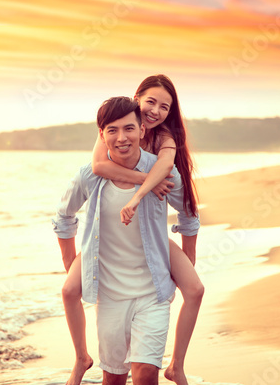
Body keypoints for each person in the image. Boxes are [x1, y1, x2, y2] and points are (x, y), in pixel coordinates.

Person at [60, 75, 204, 385]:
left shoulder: (165, 148)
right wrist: (70, 262)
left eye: (163, 106)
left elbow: (188, 210)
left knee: (145, 373)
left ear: (141, 129)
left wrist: (189, 256)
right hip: (109, 290)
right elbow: (69, 209)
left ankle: (175, 365)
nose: (122, 137)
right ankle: (80, 358)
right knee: (112, 377)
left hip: (151, 283)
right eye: (113, 131)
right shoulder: (96, 164)